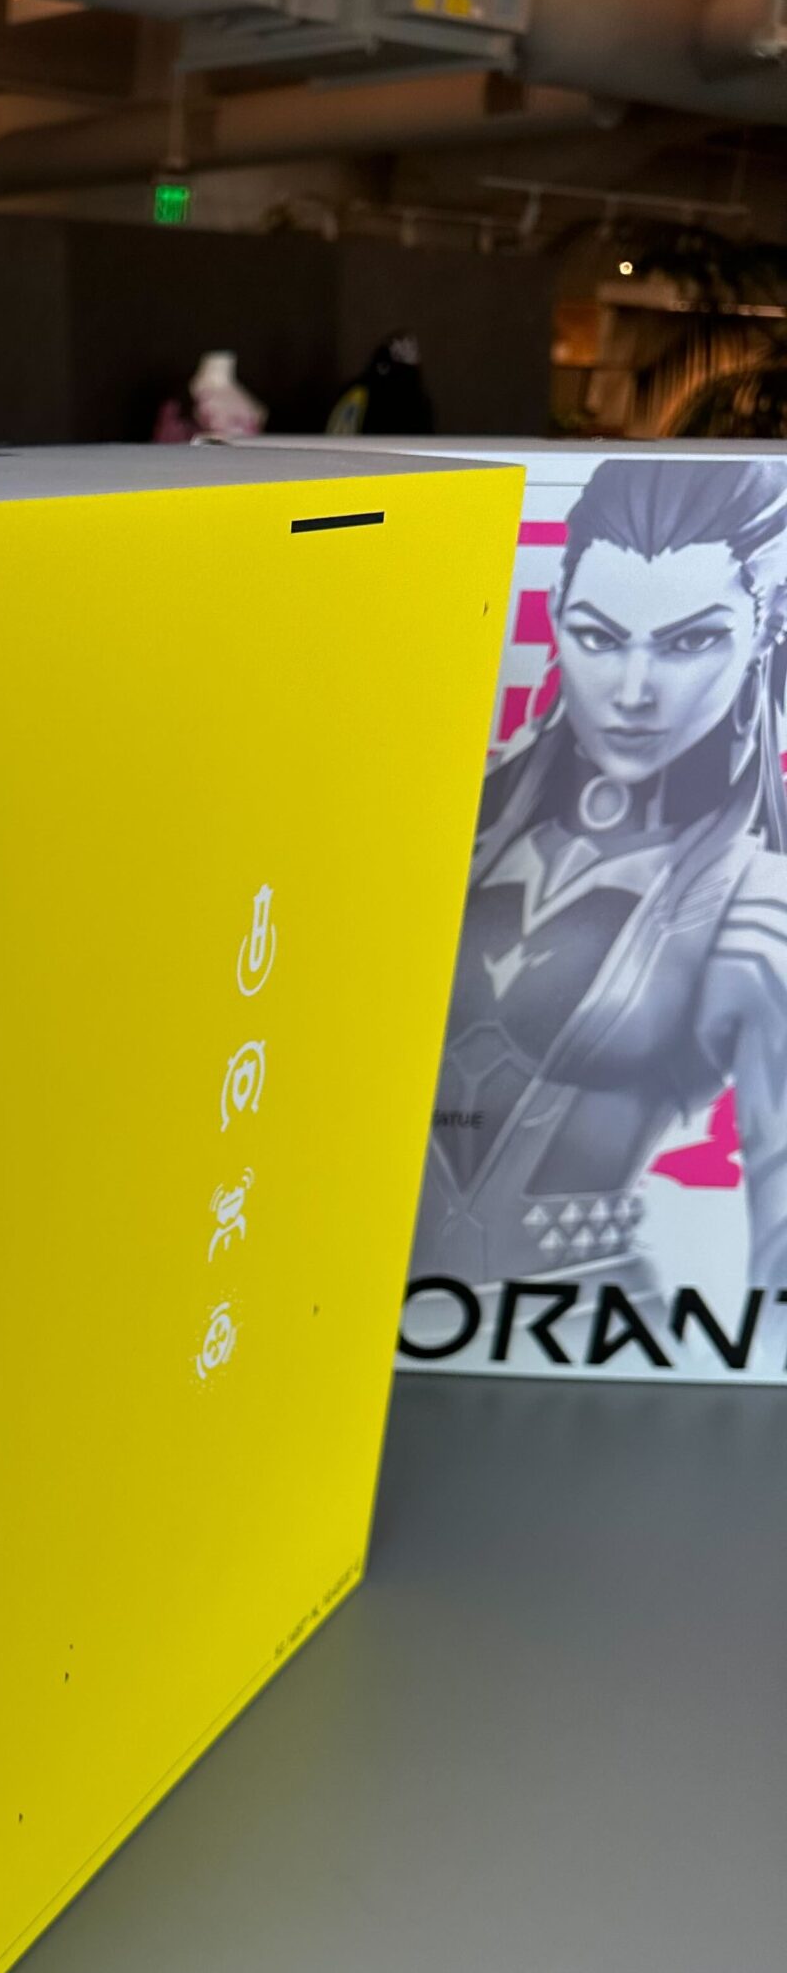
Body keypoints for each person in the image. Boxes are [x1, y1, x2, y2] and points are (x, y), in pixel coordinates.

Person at [414, 457, 787, 1323]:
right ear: (554, 615)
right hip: (348, 1320)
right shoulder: (450, 827)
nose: (633, 692)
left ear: (763, 633)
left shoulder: (756, 902)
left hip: (594, 1330)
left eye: (691, 641)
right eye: (598, 635)